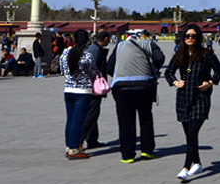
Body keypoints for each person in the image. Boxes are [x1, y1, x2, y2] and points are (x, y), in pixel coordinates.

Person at [164, 23, 220, 181]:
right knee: (190, 135)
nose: (190, 38)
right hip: (183, 97)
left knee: (192, 132)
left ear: (198, 38)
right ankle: (197, 163)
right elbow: (168, 72)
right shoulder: (180, 54)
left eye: (193, 36)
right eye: (187, 36)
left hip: (200, 97)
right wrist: (175, 82)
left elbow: (219, 69)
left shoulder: (206, 54)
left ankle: (185, 167)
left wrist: (209, 83)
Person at [107, 29, 165, 163]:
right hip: (143, 85)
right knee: (145, 118)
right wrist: (152, 69)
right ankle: (147, 150)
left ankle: (127, 154)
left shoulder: (120, 46)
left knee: (125, 121)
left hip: (121, 88)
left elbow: (109, 67)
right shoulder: (149, 44)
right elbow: (160, 58)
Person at [59, 29, 100, 160]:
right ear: (87, 40)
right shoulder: (87, 56)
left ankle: (68, 146)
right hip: (82, 91)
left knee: (70, 120)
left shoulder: (65, 53)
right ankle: (74, 149)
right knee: (78, 121)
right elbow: (94, 72)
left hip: (69, 90)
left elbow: (62, 69)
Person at [81, 30, 111, 149]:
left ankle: (92, 139)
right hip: (93, 88)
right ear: (105, 39)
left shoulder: (95, 49)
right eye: (109, 38)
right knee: (91, 114)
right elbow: (89, 68)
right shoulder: (95, 50)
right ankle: (80, 140)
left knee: (93, 114)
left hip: (93, 87)